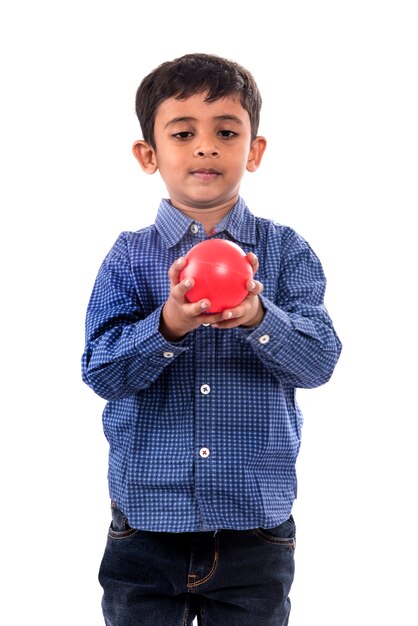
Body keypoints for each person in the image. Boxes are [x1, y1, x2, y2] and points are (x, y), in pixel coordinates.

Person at [82, 53, 342, 626]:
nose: (205, 147)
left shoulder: (285, 250)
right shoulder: (129, 257)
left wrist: (258, 316)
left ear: (254, 150)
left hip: (255, 528)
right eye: (183, 133)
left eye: (226, 131)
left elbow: (319, 360)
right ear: (148, 155)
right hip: (147, 525)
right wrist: (167, 325)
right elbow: (100, 371)